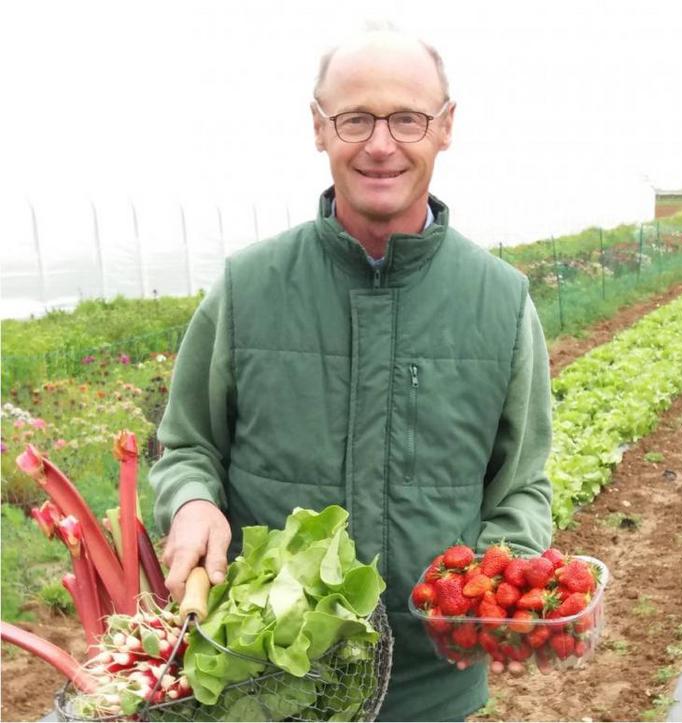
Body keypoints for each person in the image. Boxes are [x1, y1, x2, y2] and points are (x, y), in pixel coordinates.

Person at [151, 26, 553, 722]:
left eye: (406, 117)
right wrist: (191, 501)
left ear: (445, 127)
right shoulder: (249, 289)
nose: (379, 143)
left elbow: (521, 485)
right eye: (355, 118)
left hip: (429, 690)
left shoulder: (498, 300)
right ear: (318, 127)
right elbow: (186, 444)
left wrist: (492, 579)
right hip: (265, 682)